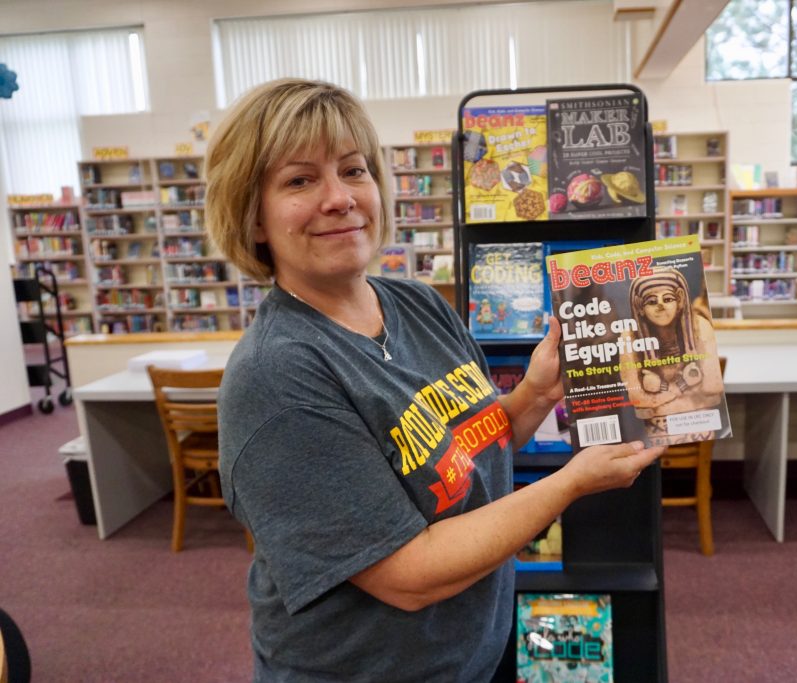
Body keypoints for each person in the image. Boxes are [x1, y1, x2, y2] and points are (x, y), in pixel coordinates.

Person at [205, 78, 665, 682]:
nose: (340, 198)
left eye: (354, 170)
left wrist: (535, 392)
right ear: (253, 215)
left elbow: (474, 448)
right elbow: (408, 575)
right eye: (299, 180)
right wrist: (570, 483)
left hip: (462, 656)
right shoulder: (279, 375)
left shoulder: (414, 303)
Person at [618, 266, 725, 444]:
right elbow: (637, 398)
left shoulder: (701, 326)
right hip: (656, 429)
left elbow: (713, 387)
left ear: (680, 300)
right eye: (651, 301)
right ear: (640, 306)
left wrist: (661, 389)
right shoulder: (628, 337)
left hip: (698, 423)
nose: (660, 305)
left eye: (667, 299)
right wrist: (684, 385)